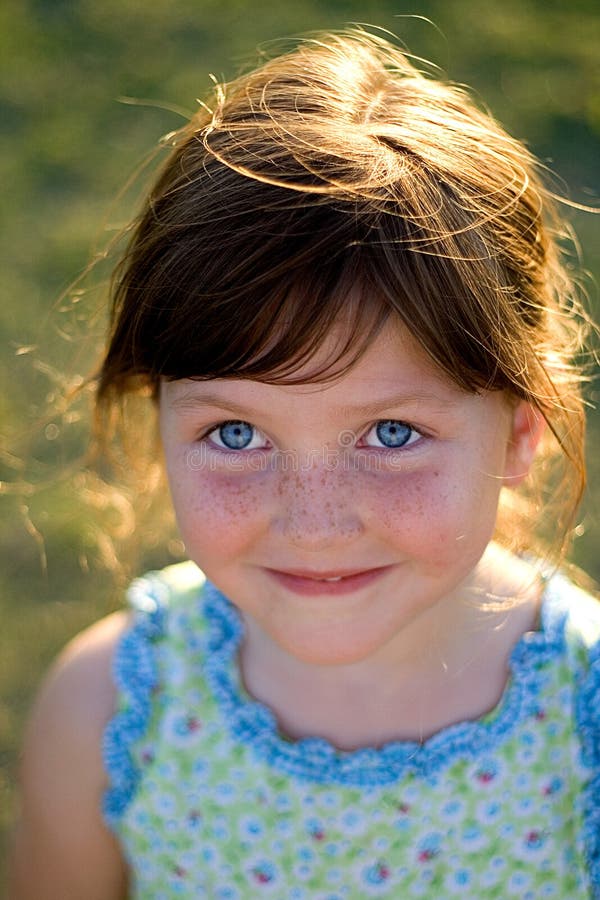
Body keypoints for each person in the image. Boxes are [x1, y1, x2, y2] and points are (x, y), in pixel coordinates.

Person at [8, 27, 600, 900]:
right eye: (238, 435)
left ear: (521, 429)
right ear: (162, 421)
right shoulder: (111, 712)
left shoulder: (585, 730)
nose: (315, 524)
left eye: (392, 434)